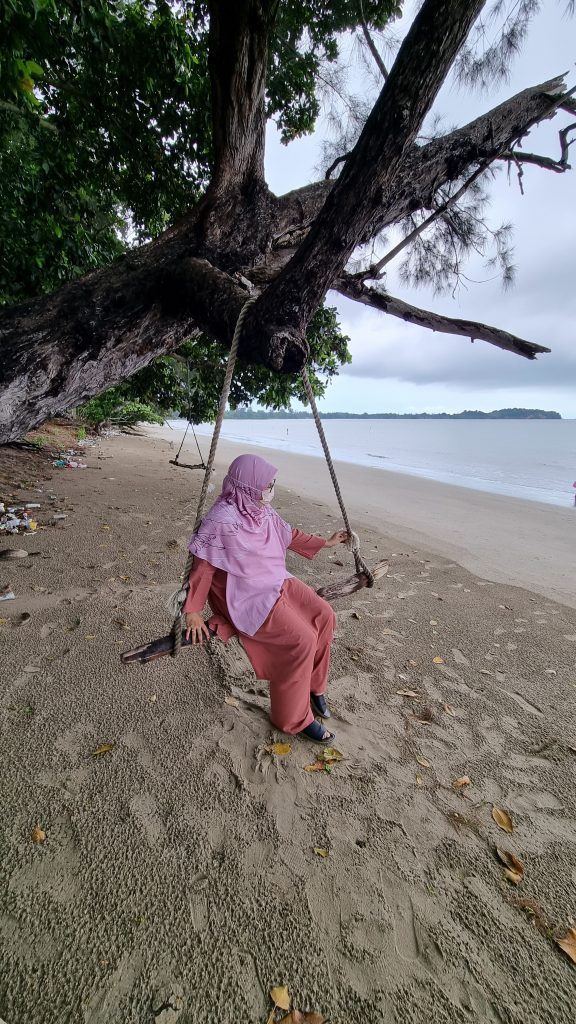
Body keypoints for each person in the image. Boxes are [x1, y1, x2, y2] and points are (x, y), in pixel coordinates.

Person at [183, 454, 347, 742]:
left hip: (273, 578)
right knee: (301, 640)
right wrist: (193, 610)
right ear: (248, 486)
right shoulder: (222, 520)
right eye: (267, 484)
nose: (271, 489)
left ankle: (313, 686)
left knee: (324, 616)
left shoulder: (259, 509)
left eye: (272, 483)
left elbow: (288, 534)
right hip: (243, 592)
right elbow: (203, 565)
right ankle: (292, 718)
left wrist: (326, 542)